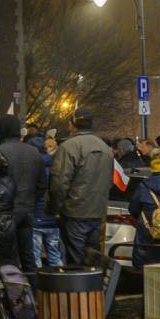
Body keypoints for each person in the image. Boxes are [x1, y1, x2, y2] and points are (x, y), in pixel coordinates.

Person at [47, 108, 113, 265]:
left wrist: (55, 209)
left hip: (74, 212)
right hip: (97, 211)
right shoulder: (105, 147)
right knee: (92, 259)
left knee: (75, 261)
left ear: (73, 124)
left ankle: (80, 287)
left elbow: (59, 184)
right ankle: (94, 288)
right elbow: (109, 181)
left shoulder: (68, 147)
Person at [0, 114, 44, 272]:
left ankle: (12, 293)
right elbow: (42, 184)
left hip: (4, 214)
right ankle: (33, 293)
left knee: (6, 258)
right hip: (27, 210)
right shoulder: (34, 152)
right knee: (28, 256)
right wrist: (31, 202)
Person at [30, 135, 63, 267]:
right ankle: (60, 282)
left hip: (36, 217)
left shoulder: (33, 169)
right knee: (55, 255)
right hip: (53, 218)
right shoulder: (57, 167)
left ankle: (38, 284)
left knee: (35, 256)